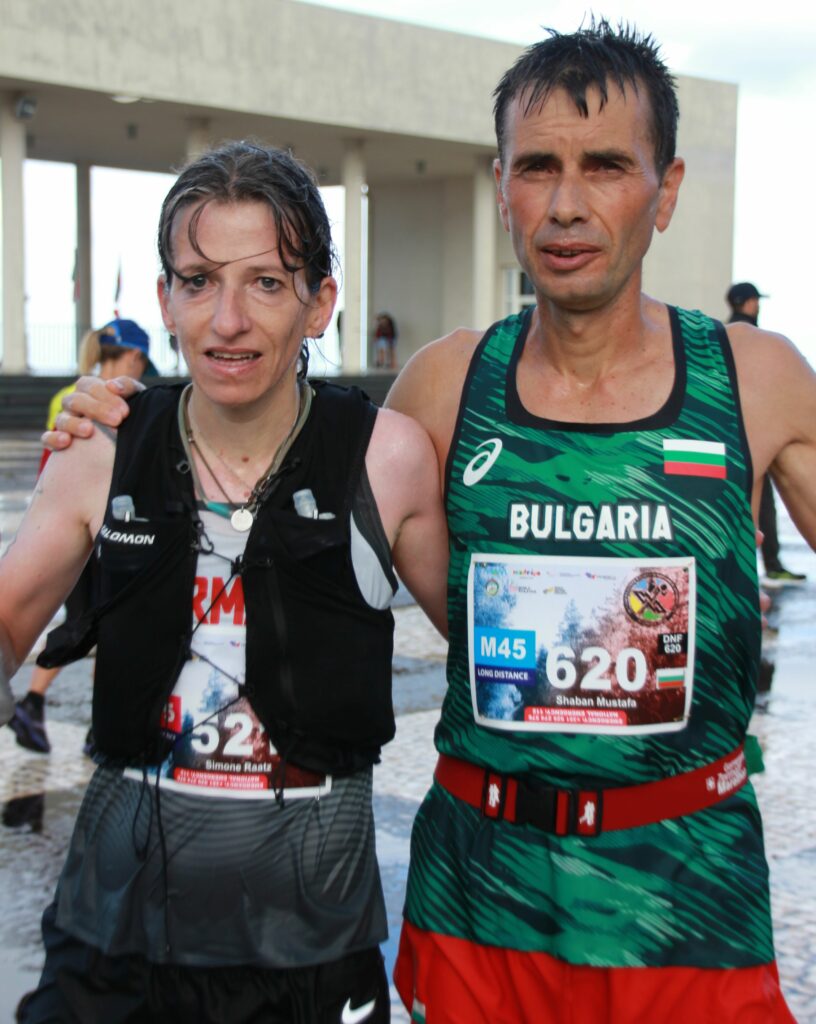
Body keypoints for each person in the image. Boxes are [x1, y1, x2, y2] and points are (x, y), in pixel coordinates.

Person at [41, 22, 816, 1022]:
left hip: (689, 896)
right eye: (539, 166)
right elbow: (275, 455)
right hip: (480, 902)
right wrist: (114, 423)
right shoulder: (445, 386)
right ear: (502, 187)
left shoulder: (754, 378)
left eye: (607, 165)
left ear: (664, 191)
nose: (568, 202)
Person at [0, 140, 448, 1024]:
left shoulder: (387, 459)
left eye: (267, 283)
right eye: (199, 280)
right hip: (114, 936)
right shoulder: (101, 447)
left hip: (312, 942)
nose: (227, 320)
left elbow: (492, 662)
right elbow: (9, 622)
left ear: (320, 302)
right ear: (165, 298)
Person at [9, 318, 152, 754]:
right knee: (98, 624)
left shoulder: (67, 394)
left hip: (69, 522)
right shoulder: (106, 403)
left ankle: (81, 718)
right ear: (134, 357)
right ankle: (48, 706)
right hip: (99, 530)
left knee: (91, 623)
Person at [726, 282, 806, 586]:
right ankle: (765, 568)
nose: (758, 306)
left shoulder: (718, 336)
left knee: (743, 508)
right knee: (759, 508)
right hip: (752, 435)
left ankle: (741, 576)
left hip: (733, 437)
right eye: (756, 300)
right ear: (747, 303)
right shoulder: (752, 340)